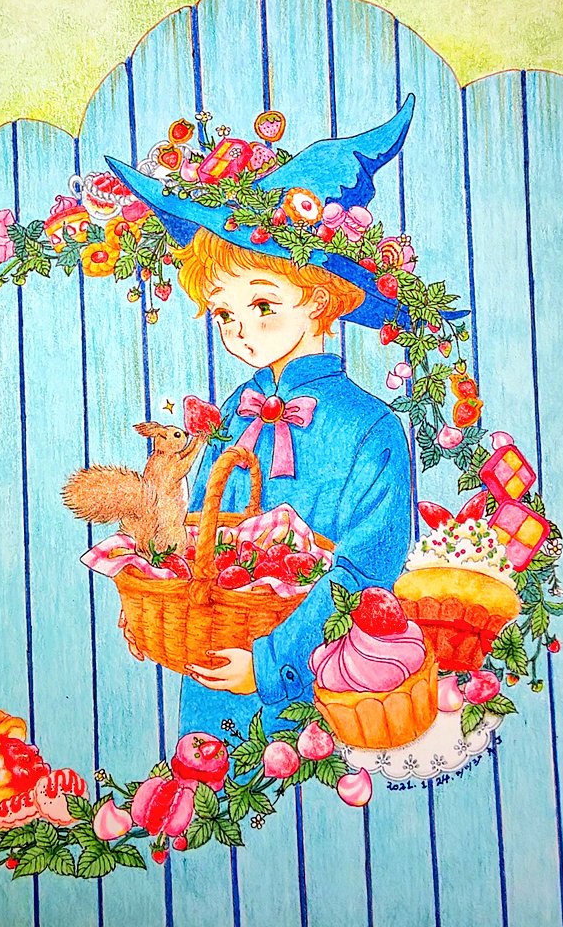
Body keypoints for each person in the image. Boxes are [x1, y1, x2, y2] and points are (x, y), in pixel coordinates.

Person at [104, 93, 457, 736]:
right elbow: (198, 536)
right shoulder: (235, 414)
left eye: (262, 305)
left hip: (322, 691)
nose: (240, 330)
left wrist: (270, 664)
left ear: (319, 299)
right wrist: (153, 600)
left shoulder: (371, 429)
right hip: (210, 670)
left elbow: (368, 570)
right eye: (224, 314)